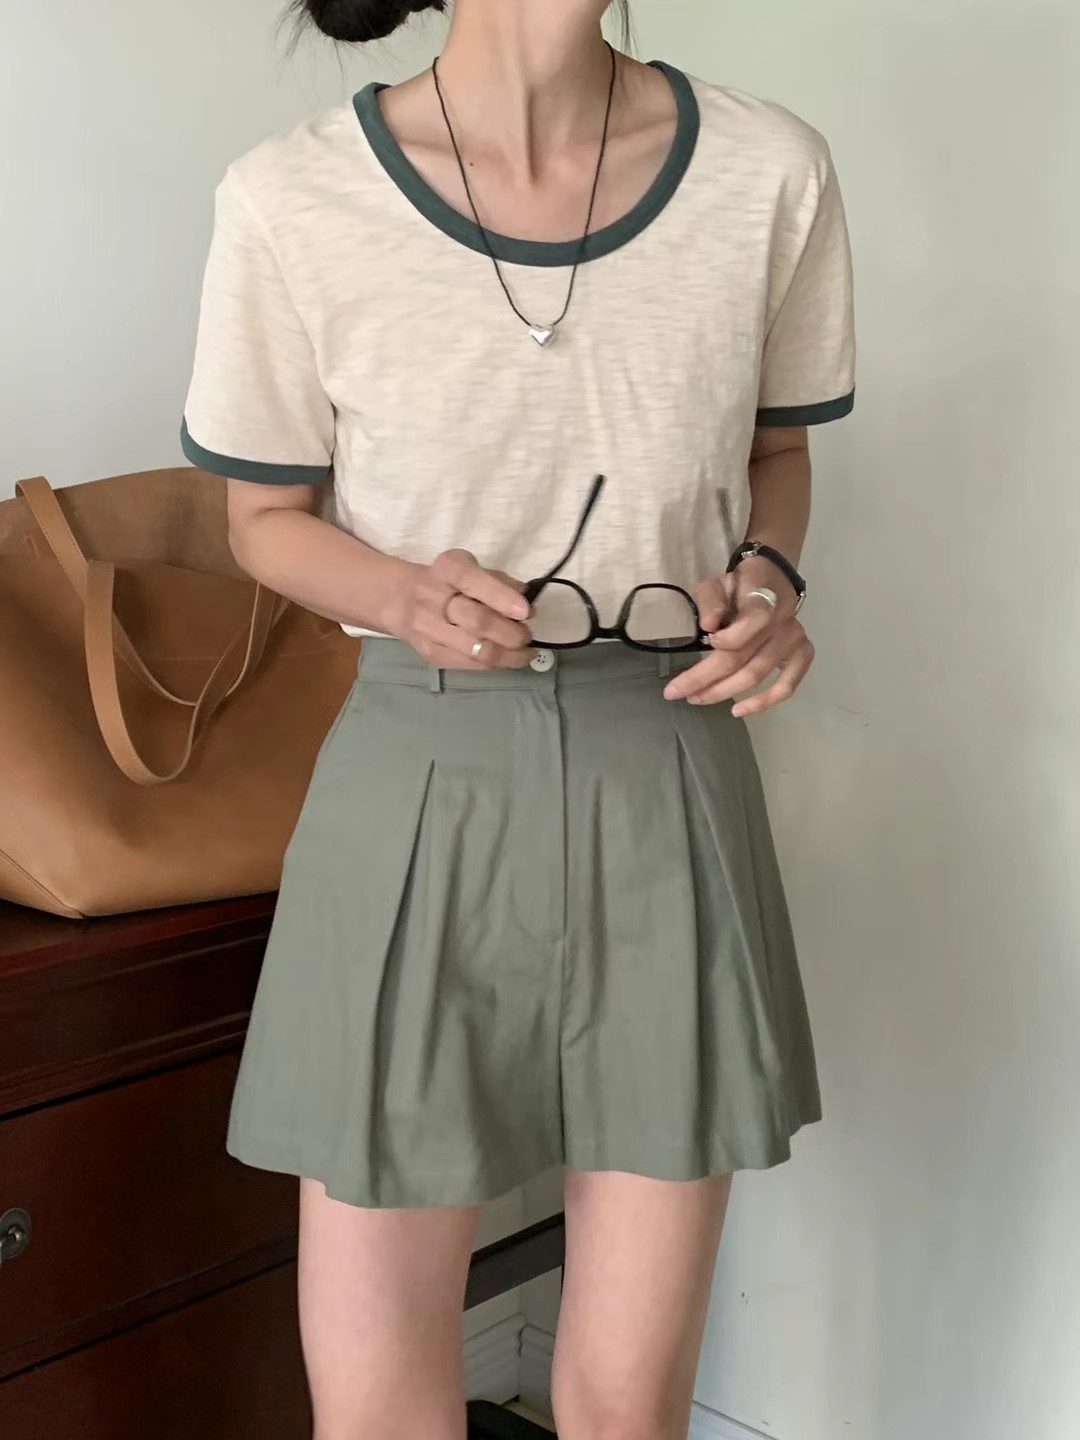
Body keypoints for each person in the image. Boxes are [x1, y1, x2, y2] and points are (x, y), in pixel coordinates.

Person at [180, 0, 854, 1435]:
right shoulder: (291, 194)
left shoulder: (769, 170)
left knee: (629, 1402)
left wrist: (768, 580)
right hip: (416, 769)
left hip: (667, 758)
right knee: (377, 1406)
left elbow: (778, 452)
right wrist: (399, 593)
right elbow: (260, 517)